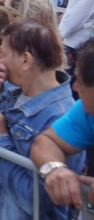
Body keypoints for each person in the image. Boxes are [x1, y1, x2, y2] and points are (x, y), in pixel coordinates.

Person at [0, 19, 81, 220]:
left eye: (3, 53)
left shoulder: (62, 118)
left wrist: (0, 140)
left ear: (26, 60)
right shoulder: (11, 90)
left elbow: (37, 200)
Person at [31, 39, 94, 211]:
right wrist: (56, 169)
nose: (74, 86)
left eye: (80, 80)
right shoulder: (87, 111)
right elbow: (46, 142)